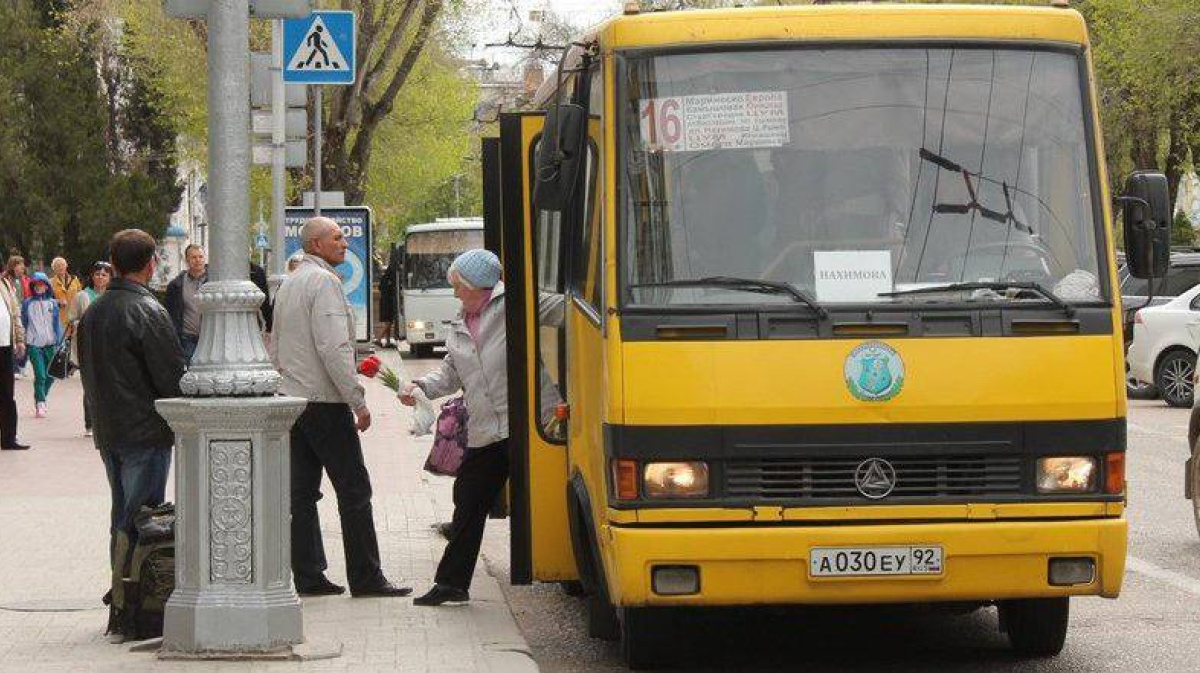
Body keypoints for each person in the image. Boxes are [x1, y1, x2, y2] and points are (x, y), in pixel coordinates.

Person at [269, 217, 411, 598]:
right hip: (324, 402)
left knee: (301, 494)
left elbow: (276, 343)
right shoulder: (324, 283)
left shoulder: (291, 282)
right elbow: (333, 349)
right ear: (315, 245)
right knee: (354, 490)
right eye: (336, 237)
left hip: (292, 400)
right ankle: (366, 577)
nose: (343, 242)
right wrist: (358, 401)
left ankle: (309, 575)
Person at [77, 230, 185, 636]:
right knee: (144, 520)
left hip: (110, 429)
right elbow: (171, 378)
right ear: (151, 262)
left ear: (114, 263)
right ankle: (137, 606)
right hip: (145, 431)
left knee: (123, 516)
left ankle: (122, 600)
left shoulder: (95, 310)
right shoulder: (147, 310)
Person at [398, 249, 511, 607]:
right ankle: (452, 584)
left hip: (526, 427)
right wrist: (421, 388)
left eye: (458, 286)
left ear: (478, 286)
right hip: (486, 430)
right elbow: (450, 372)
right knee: (468, 501)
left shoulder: (517, 305)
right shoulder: (463, 320)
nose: (455, 293)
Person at [70, 262, 113, 436]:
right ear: (92, 276)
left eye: (104, 274)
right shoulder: (82, 296)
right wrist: (84, 324)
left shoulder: (112, 296)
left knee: (109, 386)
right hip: (88, 348)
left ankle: (106, 422)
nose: (100, 277)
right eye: (97, 274)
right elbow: (72, 319)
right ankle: (90, 424)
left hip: (110, 349)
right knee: (90, 386)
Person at [21, 272, 62, 419]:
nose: (39, 287)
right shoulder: (27, 304)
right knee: (40, 375)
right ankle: (40, 403)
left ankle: (41, 396)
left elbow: (56, 324)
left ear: (46, 286)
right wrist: (23, 339)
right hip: (34, 345)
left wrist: (59, 341)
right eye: (36, 284)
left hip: (51, 344)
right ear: (32, 286)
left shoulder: (52, 303)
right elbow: (23, 322)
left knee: (51, 375)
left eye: (42, 284)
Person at [0, 271, 28, 450]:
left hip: (5, 345)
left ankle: (9, 438)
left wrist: (19, 339)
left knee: (7, 394)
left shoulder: (5, 284)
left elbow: (15, 313)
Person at [164, 244, 207, 361]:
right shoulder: (176, 285)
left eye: (200, 257)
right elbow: (170, 312)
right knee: (190, 372)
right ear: (186, 260)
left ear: (205, 258)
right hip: (187, 338)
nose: (197, 260)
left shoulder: (214, 281)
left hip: (210, 337)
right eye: (193, 257)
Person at [3, 256, 29, 379]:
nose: (23, 267)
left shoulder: (20, 281)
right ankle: (15, 368)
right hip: (10, 315)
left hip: (20, 312)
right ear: (13, 266)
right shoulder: (5, 280)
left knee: (21, 340)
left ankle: (19, 366)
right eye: (20, 265)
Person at [50, 257, 82, 331]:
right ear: (53, 269)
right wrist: (57, 301)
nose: (60, 267)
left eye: (62, 265)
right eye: (57, 266)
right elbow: (47, 301)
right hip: (59, 318)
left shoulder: (75, 280)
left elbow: (80, 296)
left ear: (66, 266)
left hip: (74, 317)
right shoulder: (50, 283)